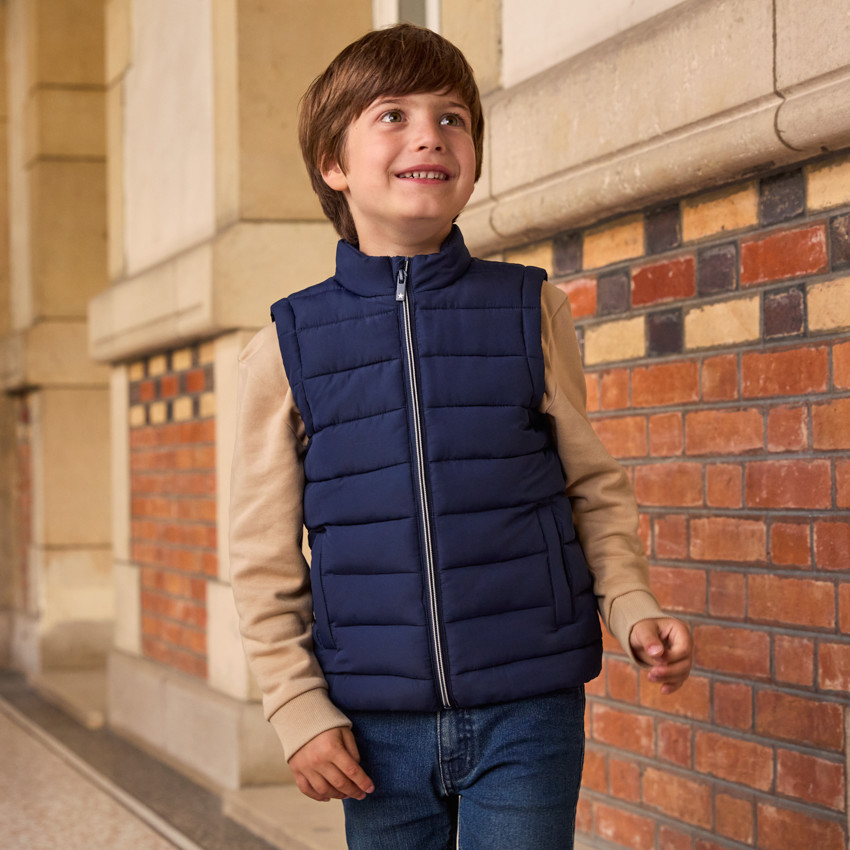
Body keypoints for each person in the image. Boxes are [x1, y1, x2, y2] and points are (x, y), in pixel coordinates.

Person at [229, 22, 693, 850]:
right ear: (333, 165)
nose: (429, 136)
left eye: (452, 118)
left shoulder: (530, 309)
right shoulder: (286, 345)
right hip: (373, 729)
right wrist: (296, 705)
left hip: (528, 708)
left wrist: (629, 603)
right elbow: (262, 554)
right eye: (392, 115)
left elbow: (591, 485)